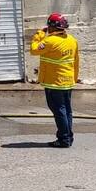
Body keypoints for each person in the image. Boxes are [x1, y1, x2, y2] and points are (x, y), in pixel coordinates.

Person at [29, 12, 80, 148]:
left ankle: (64, 139)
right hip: (67, 82)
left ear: (51, 27)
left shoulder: (49, 41)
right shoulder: (72, 40)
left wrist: (39, 34)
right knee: (67, 110)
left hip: (54, 83)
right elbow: (76, 62)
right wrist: (74, 78)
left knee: (58, 110)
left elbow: (34, 49)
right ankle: (68, 137)